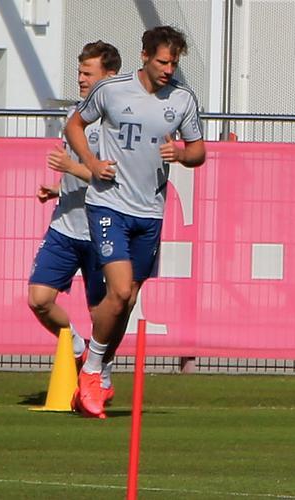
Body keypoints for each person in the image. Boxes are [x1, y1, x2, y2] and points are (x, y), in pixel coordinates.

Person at [64, 25, 206, 418]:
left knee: (127, 300)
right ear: (144, 56)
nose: (168, 69)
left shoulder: (182, 99)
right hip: (108, 205)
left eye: (173, 63)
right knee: (121, 289)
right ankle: (91, 370)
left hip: (150, 212)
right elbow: (74, 125)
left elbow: (198, 151)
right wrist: (91, 163)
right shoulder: (111, 90)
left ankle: (102, 370)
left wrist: (182, 153)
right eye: (162, 62)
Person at [28, 41, 121, 398]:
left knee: (102, 314)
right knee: (39, 299)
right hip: (65, 226)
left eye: (88, 73)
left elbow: (113, 177)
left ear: (109, 77)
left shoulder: (119, 123)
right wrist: (58, 188)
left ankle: (100, 376)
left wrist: (70, 167)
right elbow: (82, 173)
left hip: (101, 230)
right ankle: (78, 347)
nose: (81, 79)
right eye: (79, 72)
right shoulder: (75, 115)